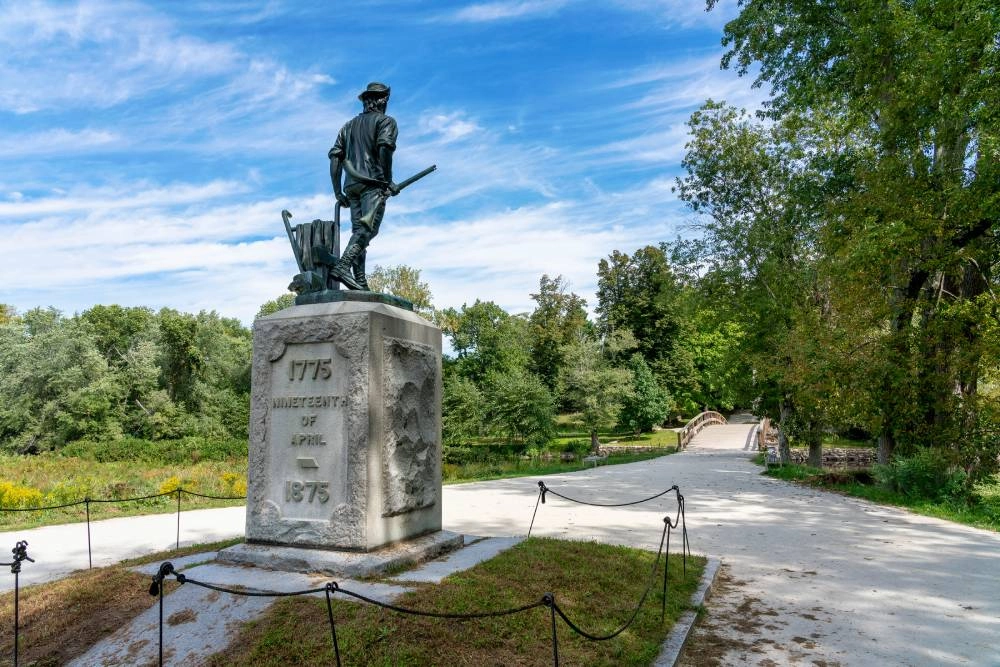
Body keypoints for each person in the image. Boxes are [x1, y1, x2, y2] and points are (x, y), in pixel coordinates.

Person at [327, 82, 399, 290]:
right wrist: (388, 180)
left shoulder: (347, 127)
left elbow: (335, 160)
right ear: (381, 100)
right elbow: (385, 149)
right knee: (367, 231)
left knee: (359, 232)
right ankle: (343, 266)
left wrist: (337, 191)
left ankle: (360, 281)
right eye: (385, 99)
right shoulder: (386, 122)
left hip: (351, 187)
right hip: (372, 184)